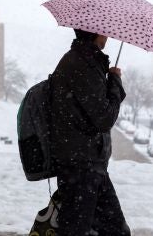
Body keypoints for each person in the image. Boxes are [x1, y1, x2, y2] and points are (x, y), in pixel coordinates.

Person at [50, 29, 131, 236]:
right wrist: (115, 83)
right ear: (96, 33)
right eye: (105, 33)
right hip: (81, 166)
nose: (108, 37)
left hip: (88, 164)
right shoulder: (82, 65)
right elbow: (105, 118)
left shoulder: (84, 62)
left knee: (115, 230)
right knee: (78, 230)